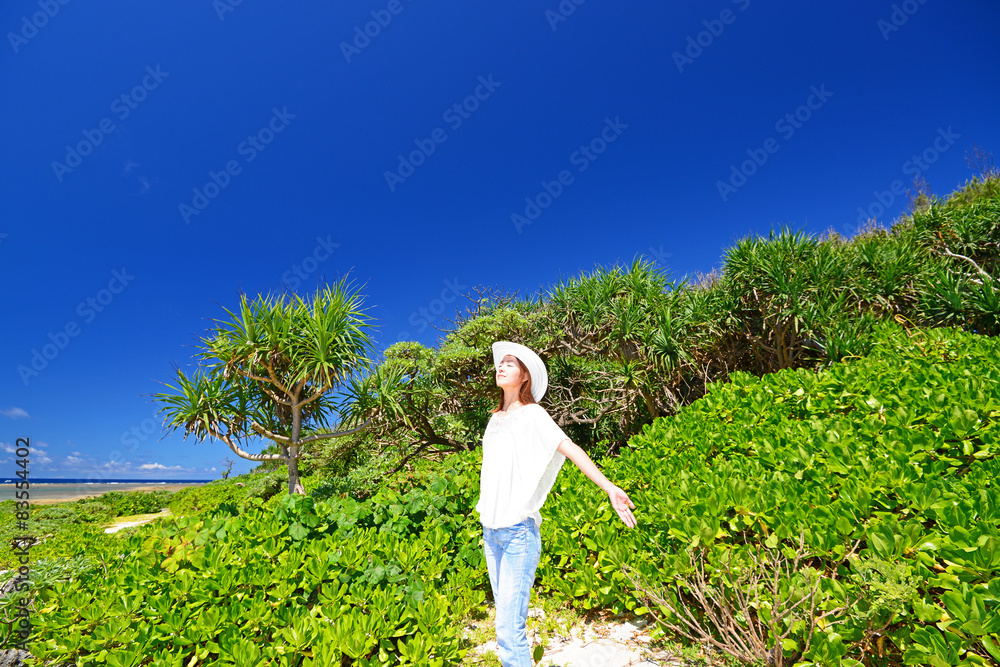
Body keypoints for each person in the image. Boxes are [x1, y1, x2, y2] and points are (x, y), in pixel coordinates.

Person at [475, 340, 637, 667]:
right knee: (504, 623)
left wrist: (608, 487)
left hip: (518, 534)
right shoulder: (494, 418)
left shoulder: (533, 414)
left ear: (524, 376)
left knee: (508, 628)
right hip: (491, 534)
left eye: (510, 363)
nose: (501, 366)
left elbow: (569, 447)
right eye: (500, 362)